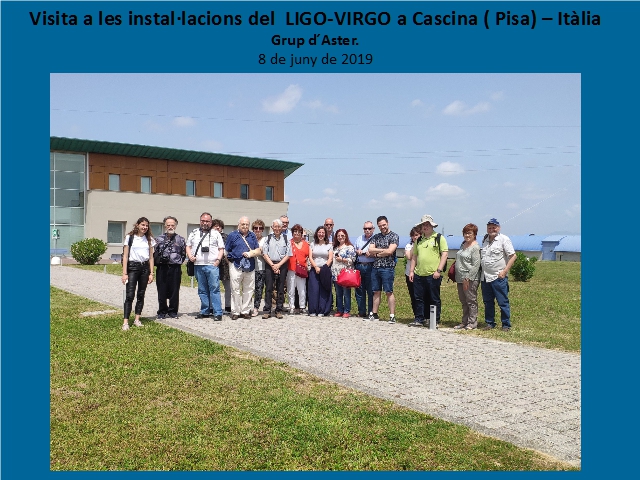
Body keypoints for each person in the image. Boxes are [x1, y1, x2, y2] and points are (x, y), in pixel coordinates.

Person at [408, 215, 448, 328]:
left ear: (432, 226)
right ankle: (419, 319)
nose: (425, 227)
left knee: (434, 298)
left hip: (433, 274)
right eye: (423, 225)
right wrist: (411, 271)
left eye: (427, 225)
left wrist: (439, 270)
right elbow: (414, 256)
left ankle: (435, 320)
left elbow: (444, 254)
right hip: (419, 273)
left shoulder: (439, 238)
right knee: (418, 298)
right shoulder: (419, 240)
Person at [480, 218, 516, 331]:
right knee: (487, 302)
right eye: (489, 227)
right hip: (485, 277)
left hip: (498, 277)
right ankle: (490, 323)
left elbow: (513, 256)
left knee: (502, 302)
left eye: (494, 227)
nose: (492, 229)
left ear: (498, 228)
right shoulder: (485, 239)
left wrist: (505, 271)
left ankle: (506, 324)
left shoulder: (504, 239)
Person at [187, 212, 225, 321]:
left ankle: (217, 312)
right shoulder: (194, 233)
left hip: (212, 265)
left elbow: (221, 248)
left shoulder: (216, 233)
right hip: (198, 265)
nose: (205, 223)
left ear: (211, 222)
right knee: (202, 290)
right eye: (203, 221)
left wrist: (218, 260)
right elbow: (188, 246)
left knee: (214, 289)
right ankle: (205, 311)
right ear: (200, 221)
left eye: (207, 221)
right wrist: (190, 256)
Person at [122, 217, 156, 331]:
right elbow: (125, 256)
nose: (144, 227)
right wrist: (124, 273)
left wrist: (151, 273)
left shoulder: (149, 239)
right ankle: (125, 322)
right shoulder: (130, 237)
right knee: (130, 295)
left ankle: (137, 319)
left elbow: (151, 258)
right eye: (142, 225)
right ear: (137, 225)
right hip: (133, 267)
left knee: (141, 294)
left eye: (146, 225)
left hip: (144, 268)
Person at [225, 216, 261, 320]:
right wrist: (230, 263)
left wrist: (250, 254)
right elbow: (226, 251)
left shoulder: (252, 235)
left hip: (250, 266)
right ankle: (235, 311)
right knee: (235, 289)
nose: (245, 226)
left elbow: (258, 250)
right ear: (238, 225)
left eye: (247, 224)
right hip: (236, 265)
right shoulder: (232, 235)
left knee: (249, 289)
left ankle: (245, 311)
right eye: (243, 224)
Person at [366, 216, 399, 323]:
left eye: (384, 225)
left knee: (389, 292)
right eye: (380, 226)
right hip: (376, 267)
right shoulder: (376, 237)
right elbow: (370, 249)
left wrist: (377, 253)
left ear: (387, 223)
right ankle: (374, 314)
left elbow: (390, 251)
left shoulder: (394, 236)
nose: (382, 227)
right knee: (376, 291)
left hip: (388, 268)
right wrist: (383, 250)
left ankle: (392, 316)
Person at [154, 216, 186, 320]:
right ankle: (162, 311)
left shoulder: (181, 239)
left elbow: (183, 254)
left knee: (174, 290)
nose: (170, 227)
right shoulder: (158, 239)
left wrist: (177, 261)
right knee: (161, 290)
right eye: (168, 225)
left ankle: (173, 311)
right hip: (162, 267)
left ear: (175, 226)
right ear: (165, 226)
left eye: (172, 225)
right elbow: (154, 253)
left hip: (175, 267)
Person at [262, 219, 291, 319]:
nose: (277, 229)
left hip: (282, 264)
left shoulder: (286, 239)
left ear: (282, 227)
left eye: (279, 227)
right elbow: (265, 253)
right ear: (272, 227)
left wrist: (278, 265)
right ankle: (267, 310)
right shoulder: (268, 238)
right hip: (270, 264)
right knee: (269, 288)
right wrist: (273, 265)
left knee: (281, 288)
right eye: (275, 226)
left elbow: (288, 254)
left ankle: (279, 310)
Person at [454, 224, 482, 330]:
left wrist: (468, 278)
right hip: (460, 277)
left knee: (471, 301)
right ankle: (464, 321)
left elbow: (476, 265)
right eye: (465, 233)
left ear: (474, 234)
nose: (467, 235)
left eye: (469, 233)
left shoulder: (475, 247)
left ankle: (472, 322)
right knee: (463, 301)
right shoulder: (463, 244)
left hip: (470, 278)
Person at [307, 226, 334, 317]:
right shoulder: (312, 244)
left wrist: (324, 268)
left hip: (325, 270)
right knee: (314, 290)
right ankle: (313, 310)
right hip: (314, 269)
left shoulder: (329, 246)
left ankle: (323, 310)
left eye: (323, 233)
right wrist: (316, 267)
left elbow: (330, 258)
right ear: (316, 233)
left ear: (325, 234)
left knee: (324, 290)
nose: (321, 234)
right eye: (319, 232)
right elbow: (310, 257)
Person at [331, 229, 356, 318]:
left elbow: (352, 260)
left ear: (345, 236)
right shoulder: (335, 247)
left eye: (342, 235)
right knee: (338, 294)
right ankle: (339, 310)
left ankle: (346, 310)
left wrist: (342, 259)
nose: (340, 237)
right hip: (336, 274)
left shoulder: (349, 247)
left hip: (345, 274)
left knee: (346, 293)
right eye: (338, 236)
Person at [353, 221, 376, 318]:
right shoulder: (359, 238)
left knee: (371, 290)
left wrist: (371, 254)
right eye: (365, 228)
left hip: (371, 266)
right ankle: (361, 311)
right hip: (359, 266)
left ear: (373, 229)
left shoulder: (376, 239)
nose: (367, 230)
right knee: (359, 290)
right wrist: (357, 251)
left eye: (369, 228)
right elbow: (354, 250)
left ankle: (371, 312)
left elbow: (380, 253)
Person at [286, 224, 310, 314]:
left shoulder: (306, 244)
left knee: (302, 289)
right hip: (291, 268)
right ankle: (291, 306)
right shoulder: (289, 243)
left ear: (301, 233)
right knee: (291, 288)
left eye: (299, 232)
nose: (297, 233)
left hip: (302, 269)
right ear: (292, 233)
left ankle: (302, 306)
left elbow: (309, 256)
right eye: (295, 231)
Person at [212, 219, 232, 315]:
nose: (217, 227)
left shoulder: (227, 237)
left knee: (228, 287)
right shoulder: (209, 237)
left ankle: (228, 306)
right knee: (213, 287)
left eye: (219, 226)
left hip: (225, 265)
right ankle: (213, 307)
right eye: (215, 225)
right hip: (213, 264)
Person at [404, 227, 421, 320]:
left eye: (417, 235)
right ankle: (417, 315)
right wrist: (415, 244)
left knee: (422, 296)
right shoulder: (409, 245)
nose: (415, 237)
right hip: (409, 274)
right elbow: (409, 256)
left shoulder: (423, 245)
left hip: (421, 273)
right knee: (413, 296)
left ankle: (424, 316)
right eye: (413, 235)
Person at [252, 219, 267, 316]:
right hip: (250, 268)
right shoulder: (250, 239)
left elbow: (264, 252)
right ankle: (247, 307)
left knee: (259, 289)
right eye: (256, 228)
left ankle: (256, 307)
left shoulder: (265, 240)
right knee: (249, 289)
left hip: (261, 267)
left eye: (260, 228)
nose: (258, 230)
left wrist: (257, 251)